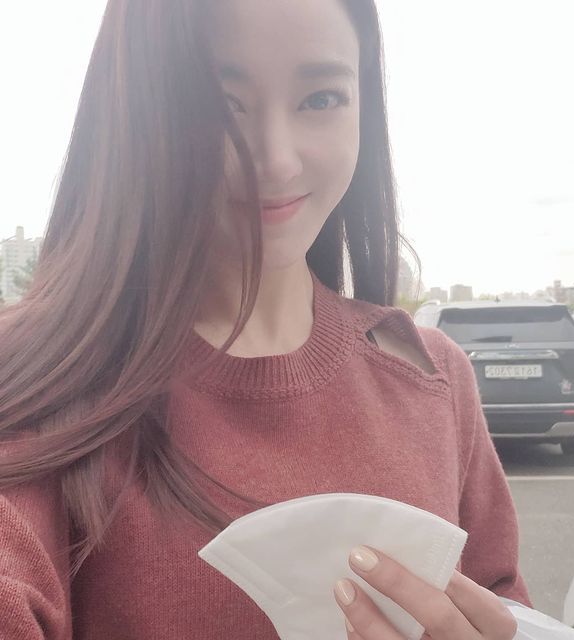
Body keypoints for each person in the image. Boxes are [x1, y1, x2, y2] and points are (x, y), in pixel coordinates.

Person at [0, 0, 530, 638]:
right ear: (134, 112)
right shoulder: (33, 381)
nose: (276, 161)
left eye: (321, 98)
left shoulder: (430, 375)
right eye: (218, 104)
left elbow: (508, 606)